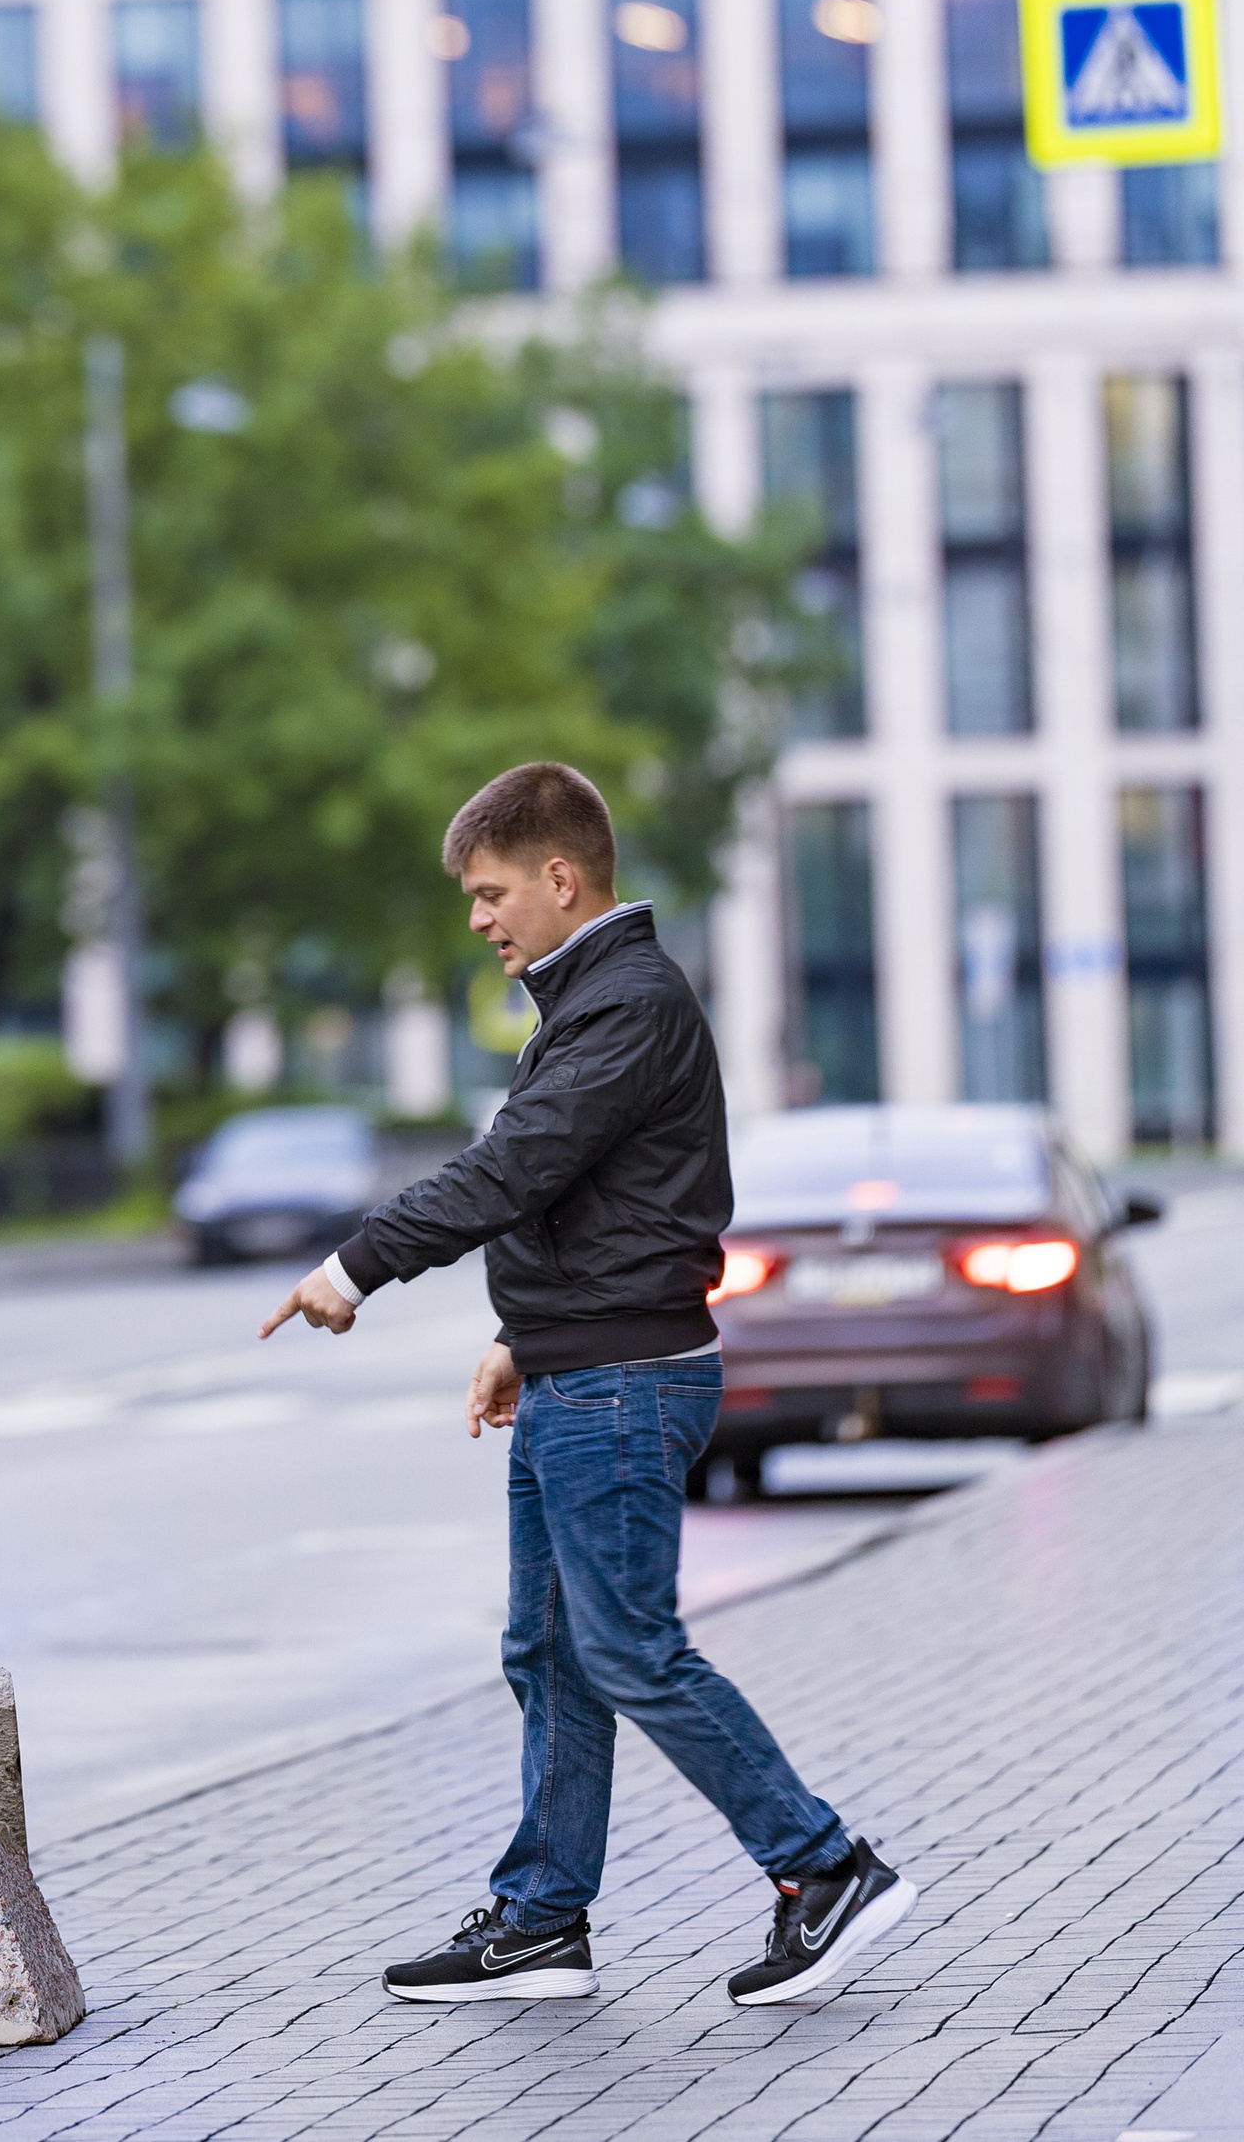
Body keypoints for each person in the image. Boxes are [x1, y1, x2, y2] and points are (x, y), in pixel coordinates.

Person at [262, 761, 916, 2010]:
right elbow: (592, 1196)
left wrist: (356, 1263)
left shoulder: (625, 1003)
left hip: (620, 1385)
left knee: (627, 1648)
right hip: (582, 1367)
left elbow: (514, 1168)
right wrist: (529, 1333)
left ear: (563, 878)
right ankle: (541, 1919)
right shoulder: (591, 999)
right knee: (551, 1653)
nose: (477, 917)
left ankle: (823, 1864)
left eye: (490, 889)